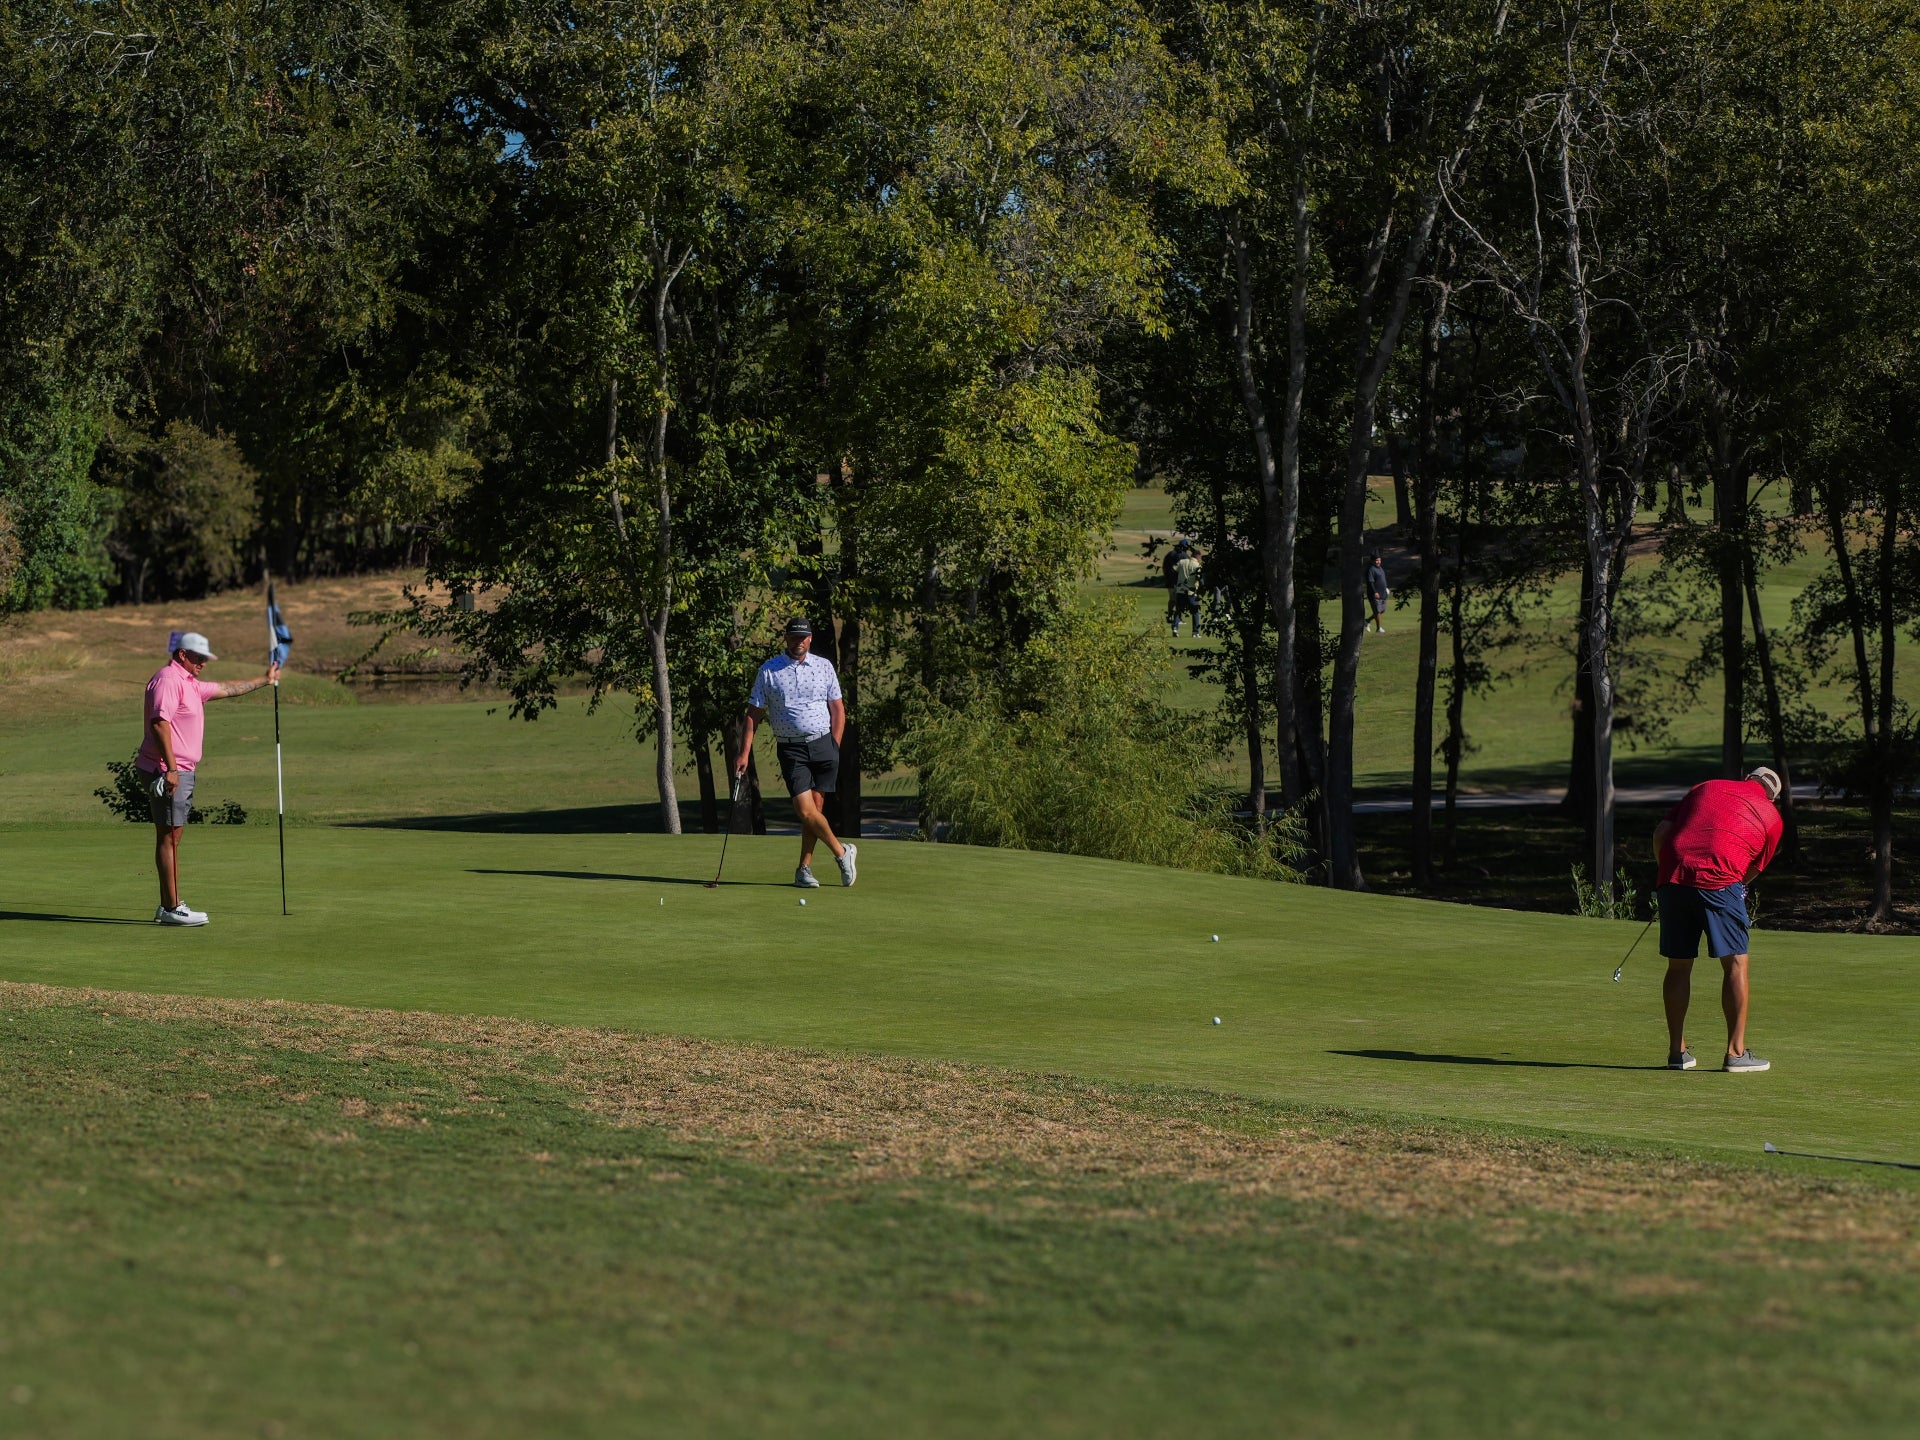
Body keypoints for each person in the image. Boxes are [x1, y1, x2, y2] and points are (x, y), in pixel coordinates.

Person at [135, 630, 280, 925]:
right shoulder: (168, 680)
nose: (203, 663)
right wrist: (172, 769)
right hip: (166, 769)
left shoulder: (190, 683)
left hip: (180, 769)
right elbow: (160, 724)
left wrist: (264, 680)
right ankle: (171, 908)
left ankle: (168, 906)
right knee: (169, 836)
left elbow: (230, 688)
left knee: (173, 834)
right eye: (199, 657)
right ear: (182, 654)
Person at [1653, 767, 1786, 1073]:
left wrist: (1667, 876)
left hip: (1674, 877)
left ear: (1747, 779)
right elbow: (1753, 869)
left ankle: (1678, 1053)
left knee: (1679, 964)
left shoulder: (1705, 786)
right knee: (1736, 965)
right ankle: (1736, 1054)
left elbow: (1661, 833)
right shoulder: (1772, 817)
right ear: (1772, 797)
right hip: (1721, 880)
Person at [736, 618, 857, 889]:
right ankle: (842, 852)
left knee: (815, 810)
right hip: (791, 748)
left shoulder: (824, 667)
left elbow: (838, 710)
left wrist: (835, 746)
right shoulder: (769, 671)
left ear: (810, 638)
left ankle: (804, 869)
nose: (798, 641)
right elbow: (753, 716)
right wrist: (744, 753)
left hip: (824, 744)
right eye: (793, 637)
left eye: (803, 637)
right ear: (786, 638)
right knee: (805, 810)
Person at [1169, 540, 1203, 638]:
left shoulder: (1182, 562)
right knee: (1195, 612)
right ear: (1198, 556)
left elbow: (1173, 570)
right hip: (1191, 592)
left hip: (1180, 591)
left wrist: (1176, 580)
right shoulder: (1197, 565)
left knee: (1178, 610)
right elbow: (1200, 579)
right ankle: (1195, 632)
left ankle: (1175, 628)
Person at [1366, 553, 1390, 633]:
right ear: (1372, 561)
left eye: (1379, 560)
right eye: (1376, 560)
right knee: (1377, 611)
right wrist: (1375, 592)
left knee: (1382, 610)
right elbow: (1371, 582)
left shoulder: (1380, 568)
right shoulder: (1371, 569)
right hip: (1375, 594)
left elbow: (1382, 580)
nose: (1378, 562)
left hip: (1383, 593)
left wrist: (1385, 588)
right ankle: (1379, 628)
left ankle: (1367, 621)